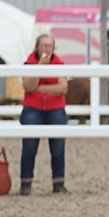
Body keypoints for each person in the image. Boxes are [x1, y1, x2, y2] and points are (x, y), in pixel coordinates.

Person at [19, 33, 69, 195]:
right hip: (33, 108)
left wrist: (38, 89)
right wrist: (39, 67)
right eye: (44, 45)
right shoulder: (29, 62)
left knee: (58, 148)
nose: (47, 49)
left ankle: (58, 183)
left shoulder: (59, 63)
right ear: (37, 47)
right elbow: (28, 85)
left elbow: (62, 88)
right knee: (29, 147)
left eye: (50, 45)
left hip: (55, 109)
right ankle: (26, 183)